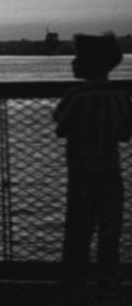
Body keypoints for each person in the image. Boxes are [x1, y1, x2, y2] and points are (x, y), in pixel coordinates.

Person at [53, 33, 131, 285]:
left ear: (88, 63)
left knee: (78, 228)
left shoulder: (76, 96)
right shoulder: (120, 96)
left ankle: (74, 282)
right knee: (110, 229)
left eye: (77, 57)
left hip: (81, 172)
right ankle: (108, 280)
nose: (72, 62)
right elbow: (125, 133)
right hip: (111, 171)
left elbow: (61, 126)